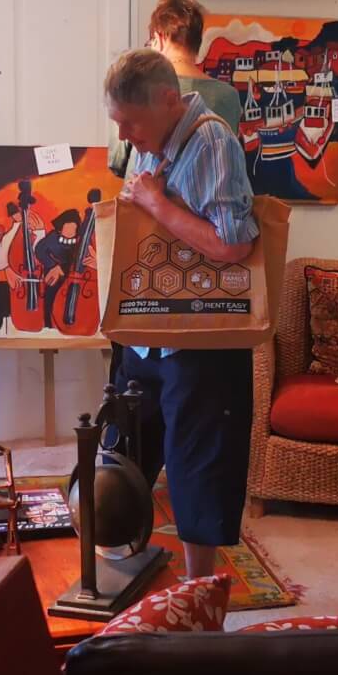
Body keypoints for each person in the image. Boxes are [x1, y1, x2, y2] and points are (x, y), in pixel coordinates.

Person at [105, 49, 259, 579]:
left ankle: (200, 586)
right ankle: (121, 559)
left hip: (201, 337)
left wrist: (155, 204)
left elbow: (234, 243)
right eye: (118, 122)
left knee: (198, 461)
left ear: (169, 100)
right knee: (128, 445)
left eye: (131, 122)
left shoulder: (212, 140)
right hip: (148, 328)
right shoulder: (152, 141)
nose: (124, 135)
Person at [110, 0, 244, 176]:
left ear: (159, 38)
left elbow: (117, 160)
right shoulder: (229, 96)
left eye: (150, 43)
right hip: (202, 193)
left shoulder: (137, 86)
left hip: (144, 188)